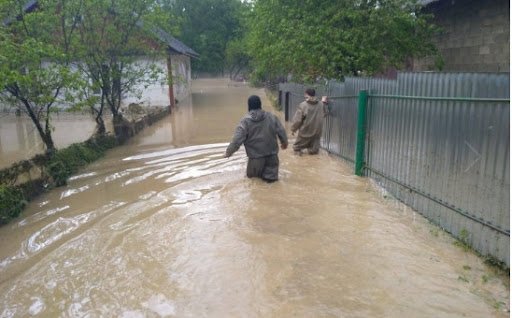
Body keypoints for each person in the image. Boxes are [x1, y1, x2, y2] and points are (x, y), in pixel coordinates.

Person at [224, 95, 288, 183]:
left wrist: (228, 153)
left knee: (254, 185)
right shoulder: (271, 117)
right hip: (272, 159)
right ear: (260, 104)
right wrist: (284, 144)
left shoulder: (245, 121)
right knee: (272, 184)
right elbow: (282, 131)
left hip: (255, 161)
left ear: (249, 106)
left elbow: (236, 140)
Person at [290, 87, 329, 155]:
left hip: (305, 133)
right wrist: (324, 103)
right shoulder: (321, 104)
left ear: (306, 94)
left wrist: (293, 129)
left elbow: (297, 120)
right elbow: (325, 113)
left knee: (296, 148)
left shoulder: (303, 105)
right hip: (316, 133)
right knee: (314, 152)